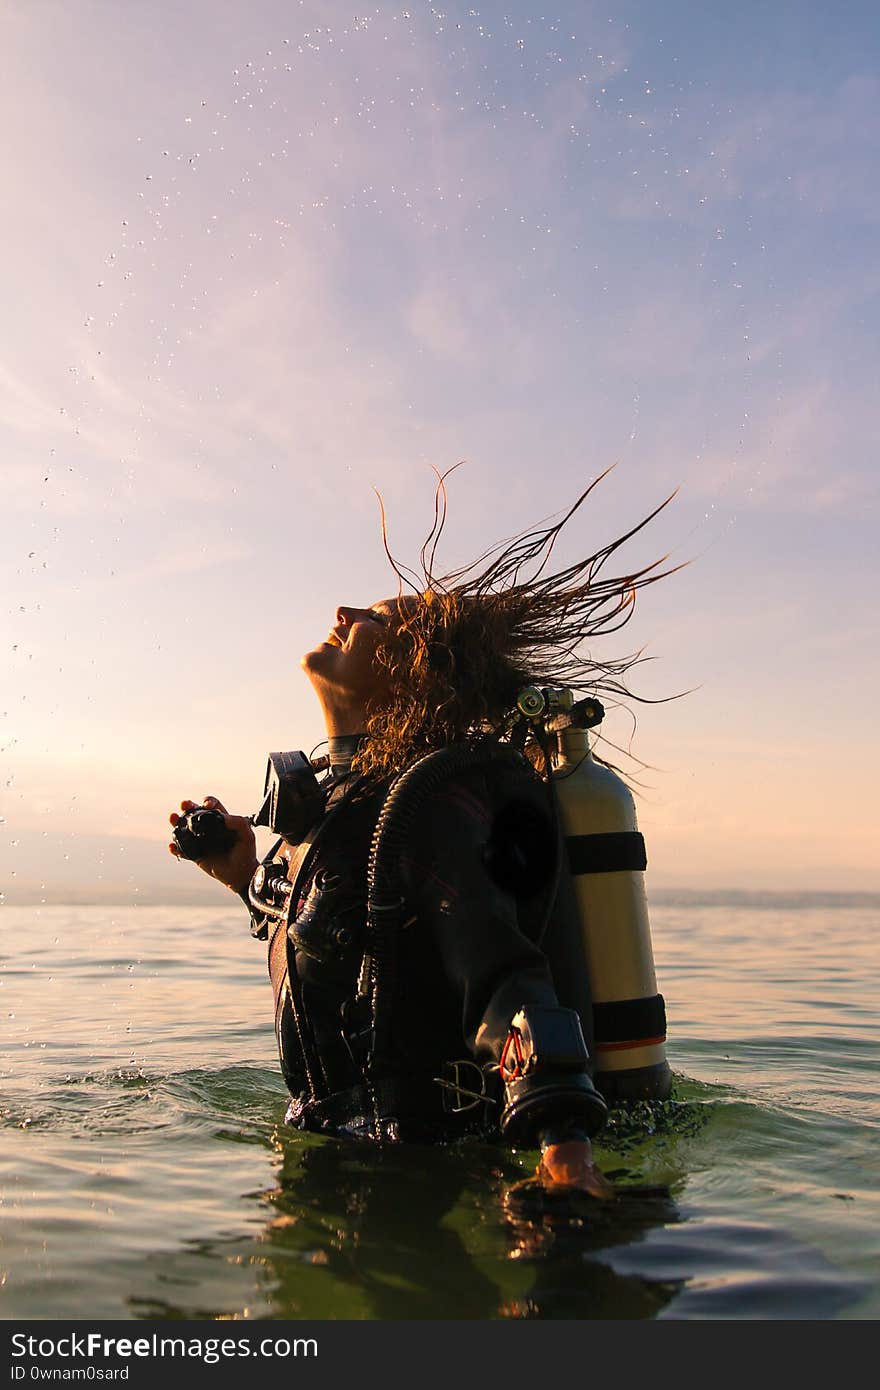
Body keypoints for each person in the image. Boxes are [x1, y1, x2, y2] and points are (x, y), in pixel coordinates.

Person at [169, 474, 673, 1198]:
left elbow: (506, 973)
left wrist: (565, 1150)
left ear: (413, 673)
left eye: (375, 617)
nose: (342, 610)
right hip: (345, 1162)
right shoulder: (340, 809)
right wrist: (249, 881)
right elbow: (351, 951)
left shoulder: (428, 805)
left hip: (418, 1177)